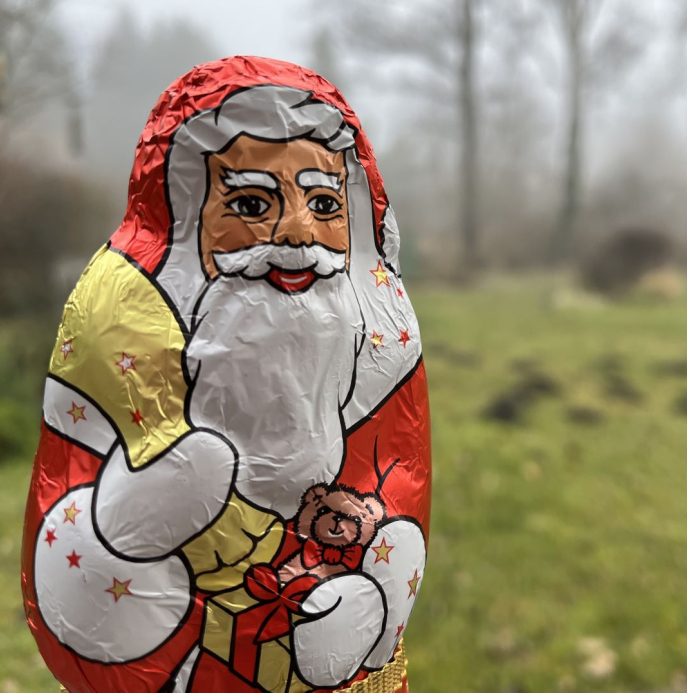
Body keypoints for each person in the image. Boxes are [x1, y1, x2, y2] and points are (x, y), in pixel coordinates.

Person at [22, 57, 431, 693]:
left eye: (324, 203)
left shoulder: (376, 327)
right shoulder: (122, 306)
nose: (296, 232)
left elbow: (396, 467)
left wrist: (370, 584)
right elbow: (79, 463)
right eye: (251, 203)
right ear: (191, 208)